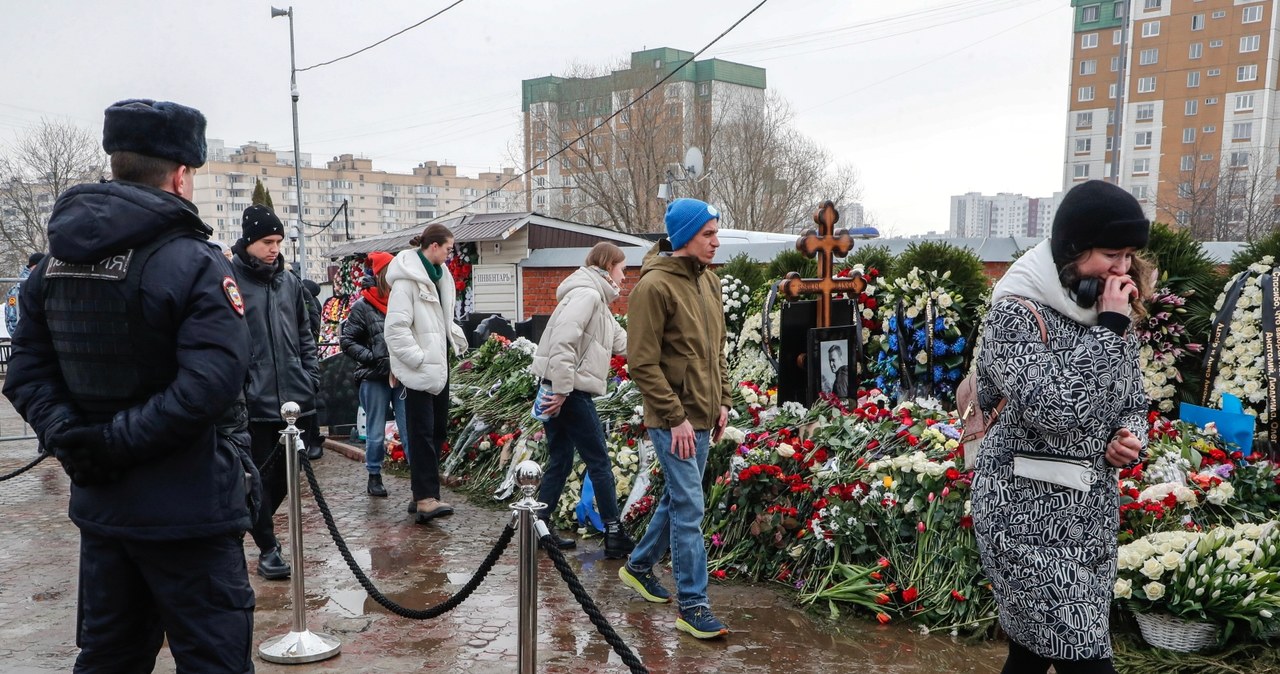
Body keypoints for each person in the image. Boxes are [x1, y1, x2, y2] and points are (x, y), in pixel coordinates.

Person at [3, 98, 257, 672]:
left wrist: (73, 437)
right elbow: (209, 387)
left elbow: (25, 374)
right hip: (188, 512)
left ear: (116, 163)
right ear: (181, 174)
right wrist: (110, 442)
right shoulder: (194, 262)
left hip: (105, 508)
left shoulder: (53, 265)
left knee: (109, 659)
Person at [971, 179, 1150, 674]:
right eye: (1111, 254)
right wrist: (1111, 330)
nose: (1123, 270)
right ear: (1072, 250)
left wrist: (1131, 440)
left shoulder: (1103, 314)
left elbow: (1134, 400)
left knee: (1029, 655)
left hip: (1089, 522)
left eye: (1130, 256)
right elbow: (1056, 411)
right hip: (1024, 519)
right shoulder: (1015, 314)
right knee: (1086, 660)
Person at [617, 198, 733, 640]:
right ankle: (693, 605)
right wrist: (675, 418)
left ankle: (640, 565)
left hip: (703, 414)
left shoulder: (710, 283)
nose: (715, 242)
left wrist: (723, 401)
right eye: (708, 234)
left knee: (678, 500)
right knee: (690, 508)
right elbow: (642, 364)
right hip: (673, 422)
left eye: (715, 233)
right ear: (685, 236)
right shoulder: (654, 288)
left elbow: (715, 351)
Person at [528, 242, 635, 557]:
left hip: (562, 389)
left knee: (561, 459)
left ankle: (541, 528)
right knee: (599, 461)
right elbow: (564, 341)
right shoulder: (588, 295)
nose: (625, 277)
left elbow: (622, 342)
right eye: (623, 269)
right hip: (569, 392)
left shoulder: (596, 299)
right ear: (607, 266)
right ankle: (614, 534)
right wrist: (562, 390)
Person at [231, 203, 320, 580]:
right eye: (267, 241)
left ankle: (249, 526)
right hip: (253, 402)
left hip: (294, 400)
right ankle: (268, 547)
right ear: (249, 241)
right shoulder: (229, 279)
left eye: (279, 241)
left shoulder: (288, 282)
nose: (274, 248)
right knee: (255, 480)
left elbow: (305, 333)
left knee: (284, 479)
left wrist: (310, 374)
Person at [385, 223, 469, 523]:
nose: (450, 255)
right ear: (433, 246)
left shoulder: (440, 277)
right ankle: (425, 499)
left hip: (439, 367)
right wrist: (417, 360)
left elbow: (443, 319)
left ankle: (421, 491)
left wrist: (454, 338)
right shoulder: (407, 283)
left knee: (436, 431)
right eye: (448, 249)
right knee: (421, 434)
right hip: (420, 370)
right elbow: (395, 329)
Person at [341, 251, 407, 498]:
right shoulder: (363, 306)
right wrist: (374, 358)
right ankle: (374, 475)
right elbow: (347, 341)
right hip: (374, 376)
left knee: (409, 429)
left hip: (402, 375)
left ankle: (418, 484)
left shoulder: (403, 301)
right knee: (376, 431)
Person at [299, 277, 325, 461]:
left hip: (300, 356)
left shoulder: (303, 296)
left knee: (308, 402)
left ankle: (313, 441)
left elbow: (311, 328)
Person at [5, 252, 45, 337]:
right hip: (26, 341)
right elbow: (12, 319)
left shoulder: (45, 284)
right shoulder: (16, 289)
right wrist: (20, 338)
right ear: (33, 267)